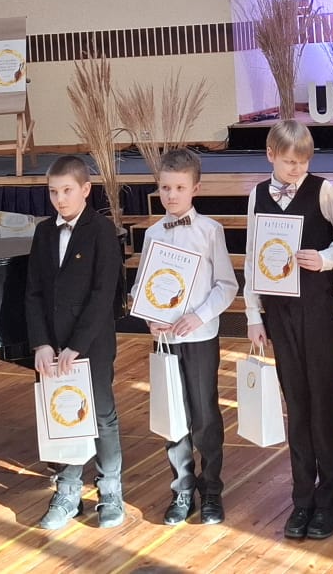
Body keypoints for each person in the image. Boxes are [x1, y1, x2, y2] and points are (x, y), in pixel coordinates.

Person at [244, 119, 333, 541]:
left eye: (303, 162)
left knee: (322, 403)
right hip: (279, 312)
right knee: (295, 404)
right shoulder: (257, 195)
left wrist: (326, 258)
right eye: (290, 162)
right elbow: (253, 256)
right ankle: (302, 499)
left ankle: (329, 501)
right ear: (271, 155)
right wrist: (253, 314)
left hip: (316, 307)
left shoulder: (322, 191)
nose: (297, 169)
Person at [28, 154, 125, 530]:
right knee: (63, 414)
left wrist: (77, 345)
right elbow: (33, 292)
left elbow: (103, 295)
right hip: (53, 344)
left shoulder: (101, 231)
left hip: (91, 342)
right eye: (53, 192)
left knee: (100, 413)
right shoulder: (43, 232)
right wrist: (41, 343)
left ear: (85, 189)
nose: (60, 199)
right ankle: (67, 491)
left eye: (67, 190)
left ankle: (110, 490)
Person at [144, 146, 236, 528]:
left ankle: (211, 489)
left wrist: (199, 316)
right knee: (173, 413)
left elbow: (227, 285)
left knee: (204, 414)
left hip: (199, 337)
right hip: (165, 339)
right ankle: (182, 489)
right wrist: (149, 317)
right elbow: (144, 285)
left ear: (195, 189)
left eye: (179, 188)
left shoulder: (210, 231)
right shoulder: (152, 233)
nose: (171, 195)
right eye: (165, 188)